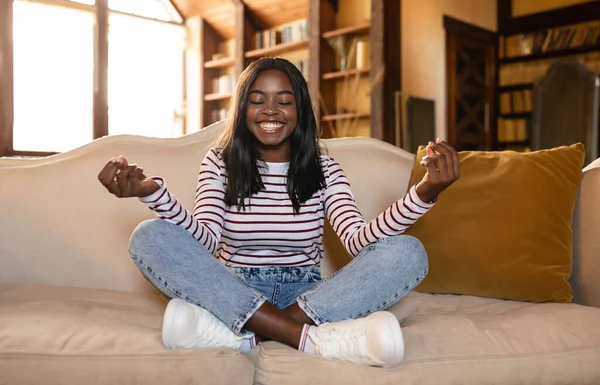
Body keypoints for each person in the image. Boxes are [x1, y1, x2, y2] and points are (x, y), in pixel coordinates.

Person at [97, 57, 459, 368]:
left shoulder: (325, 169)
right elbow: (204, 240)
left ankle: (245, 335)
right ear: (242, 110)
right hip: (235, 288)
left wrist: (425, 191)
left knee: (407, 252)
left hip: (309, 296)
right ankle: (315, 339)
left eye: (284, 101)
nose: (270, 110)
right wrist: (151, 194)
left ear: (299, 111)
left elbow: (358, 239)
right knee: (148, 236)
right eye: (257, 101)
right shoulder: (219, 163)